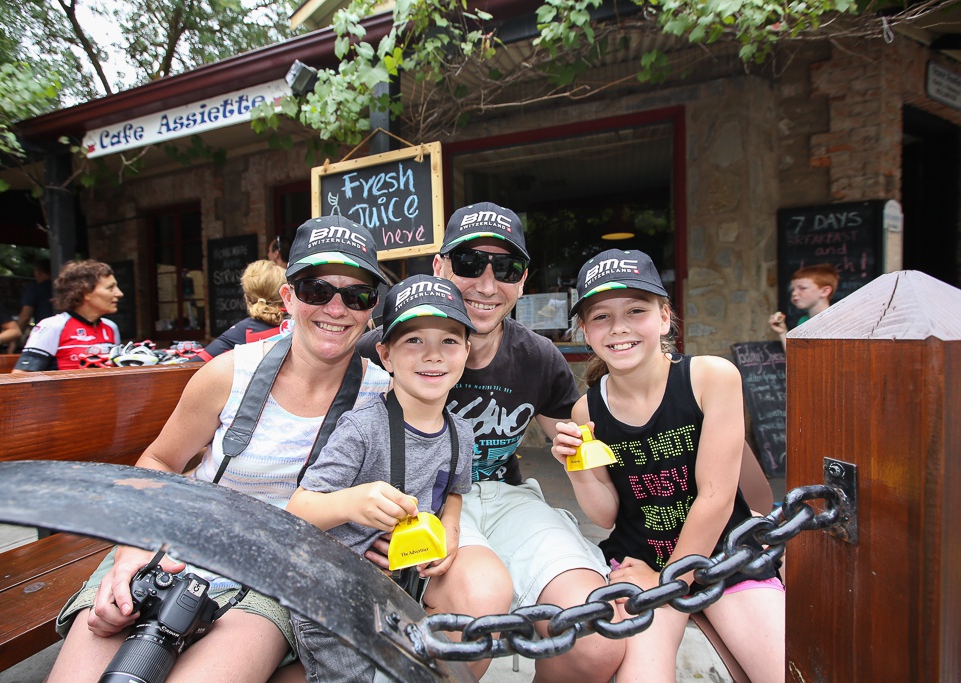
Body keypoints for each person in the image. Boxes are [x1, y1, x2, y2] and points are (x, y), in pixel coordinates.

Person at [45, 216, 391, 683]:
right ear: (288, 298)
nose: (336, 307)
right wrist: (131, 553)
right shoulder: (229, 372)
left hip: (280, 574)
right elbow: (160, 462)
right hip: (175, 544)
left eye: (357, 294)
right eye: (315, 290)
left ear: (371, 309)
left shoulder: (382, 393)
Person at [356, 202, 621, 681]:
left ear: (523, 281)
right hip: (423, 506)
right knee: (479, 602)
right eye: (469, 264)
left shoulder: (538, 357)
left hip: (506, 498)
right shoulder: (384, 347)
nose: (486, 284)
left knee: (595, 640)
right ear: (439, 267)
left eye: (507, 269)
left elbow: (585, 439)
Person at [553, 248, 785, 683]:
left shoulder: (711, 377)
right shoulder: (588, 410)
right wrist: (576, 467)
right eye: (600, 316)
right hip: (640, 563)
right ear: (585, 331)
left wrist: (670, 580)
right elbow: (605, 514)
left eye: (636, 311)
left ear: (663, 318)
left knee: (782, 671)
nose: (619, 327)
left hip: (725, 555)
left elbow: (716, 497)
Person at [287, 274, 476, 682]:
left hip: (402, 592)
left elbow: (456, 489)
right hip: (335, 595)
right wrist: (351, 503)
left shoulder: (462, 432)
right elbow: (298, 509)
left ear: (466, 351)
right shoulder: (362, 429)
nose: (433, 355)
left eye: (448, 340)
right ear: (386, 355)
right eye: (413, 341)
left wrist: (451, 526)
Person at [13, 260, 123, 372]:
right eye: (110, 288)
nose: (119, 293)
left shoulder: (111, 327)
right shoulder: (52, 326)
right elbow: (20, 377)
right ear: (86, 292)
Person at [192, 259, 291, 361]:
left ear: (246, 296)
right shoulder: (301, 324)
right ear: (286, 293)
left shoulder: (243, 331)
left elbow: (191, 366)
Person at [768, 263, 839, 350]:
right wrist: (783, 332)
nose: (794, 293)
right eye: (792, 289)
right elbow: (798, 356)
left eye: (802, 288)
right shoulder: (803, 321)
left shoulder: (837, 322)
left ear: (825, 291)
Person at [12, 258, 55, 351]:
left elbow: (25, 317)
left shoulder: (35, 289)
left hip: (44, 335)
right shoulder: (63, 288)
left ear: (39, 272)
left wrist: (14, 340)